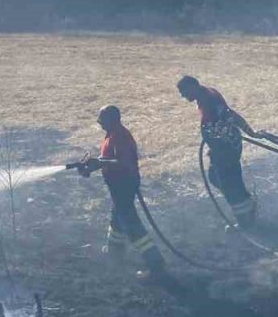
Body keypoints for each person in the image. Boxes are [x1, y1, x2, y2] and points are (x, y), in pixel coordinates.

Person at [77, 105, 166, 277]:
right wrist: (94, 165)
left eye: (101, 119)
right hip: (118, 185)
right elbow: (110, 158)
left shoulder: (122, 137)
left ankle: (155, 263)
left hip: (124, 185)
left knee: (131, 224)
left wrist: (100, 163)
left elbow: (122, 162)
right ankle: (114, 251)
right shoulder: (112, 134)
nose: (98, 122)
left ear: (112, 119)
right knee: (117, 217)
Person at [176, 75, 257, 226]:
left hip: (226, 149)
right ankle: (246, 203)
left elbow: (228, 116)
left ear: (193, 86)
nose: (183, 95)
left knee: (227, 182)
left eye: (184, 91)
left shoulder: (208, 99)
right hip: (223, 147)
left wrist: (221, 146)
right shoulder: (206, 95)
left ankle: (244, 219)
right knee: (216, 177)